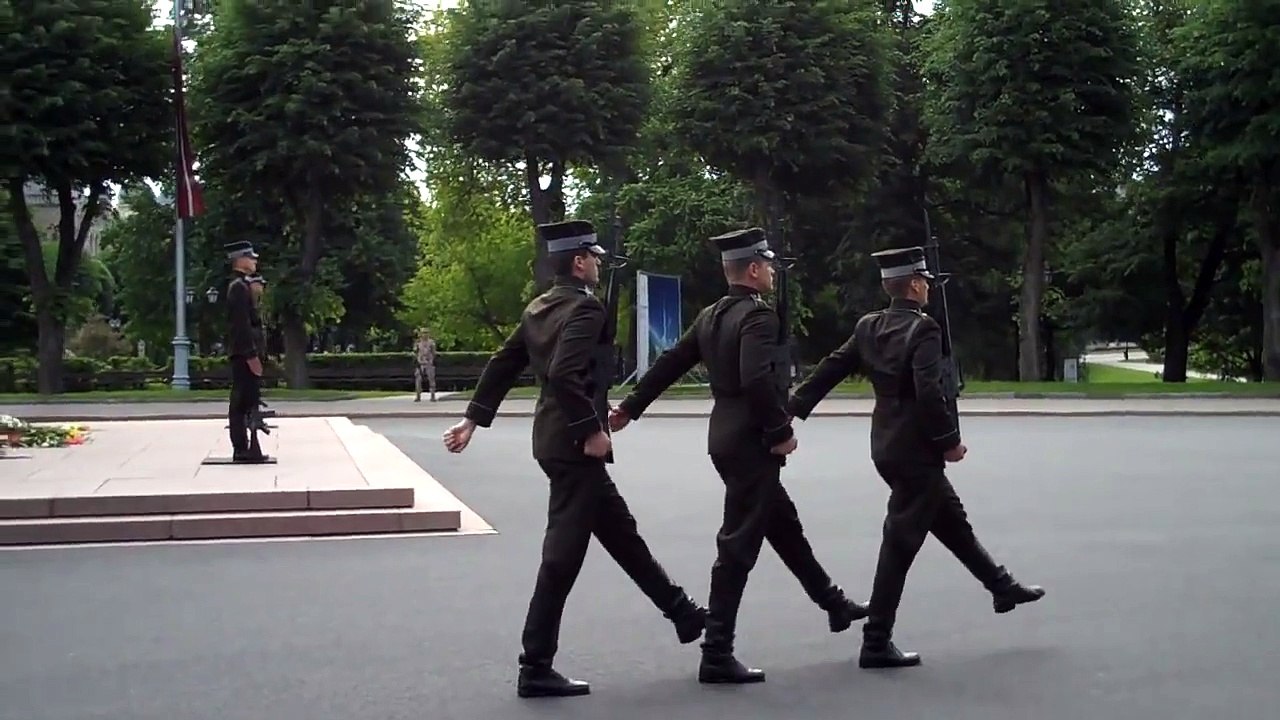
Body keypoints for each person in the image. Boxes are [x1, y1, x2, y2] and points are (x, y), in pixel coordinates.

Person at [441, 219, 707, 699]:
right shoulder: (586, 310)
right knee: (561, 558)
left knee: (621, 533)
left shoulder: (541, 306)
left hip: (551, 437)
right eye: (596, 257)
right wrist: (591, 430)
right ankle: (535, 665)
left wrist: (472, 421)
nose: (600, 264)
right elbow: (565, 373)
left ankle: (682, 613)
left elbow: (504, 363)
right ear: (580, 261)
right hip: (573, 444)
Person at [608, 227, 868, 685]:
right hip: (750, 438)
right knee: (738, 546)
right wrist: (780, 431)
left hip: (723, 435)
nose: (770, 271)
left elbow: (671, 361)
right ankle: (716, 652)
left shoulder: (712, 315)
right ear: (752, 269)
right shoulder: (757, 317)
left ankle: (833, 603)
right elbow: (756, 380)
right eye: (766, 264)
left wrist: (631, 407)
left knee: (782, 526)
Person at [787, 245, 1045, 669]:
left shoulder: (869, 326)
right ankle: (875, 641)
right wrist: (948, 441)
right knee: (900, 544)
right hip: (916, 449)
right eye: (924, 280)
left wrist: (794, 408)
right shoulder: (924, 331)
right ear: (912, 284)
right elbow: (929, 392)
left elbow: (832, 367)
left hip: (886, 444)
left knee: (950, 519)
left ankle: (1001, 586)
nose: (927, 286)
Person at [224, 241, 267, 463]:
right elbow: (241, 326)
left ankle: (246, 446)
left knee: (246, 400)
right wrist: (251, 355)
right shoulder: (238, 288)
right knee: (241, 402)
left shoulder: (242, 286)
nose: (254, 261)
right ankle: (241, 448)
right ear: (240, 260)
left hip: (244, 352)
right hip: (243, 354)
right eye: (250, 258)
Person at [413, 328, 437, 402]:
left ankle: (432, 396)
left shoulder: (431, 343)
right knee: (418, 380)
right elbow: (415, 352)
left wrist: (431, 360)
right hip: (420, 363)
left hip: (429, 363)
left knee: (431, 379)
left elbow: (434, 352)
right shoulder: (418, 343)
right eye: (423, 333)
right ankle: (418, 396)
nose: (425, 334)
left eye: (426, 333)